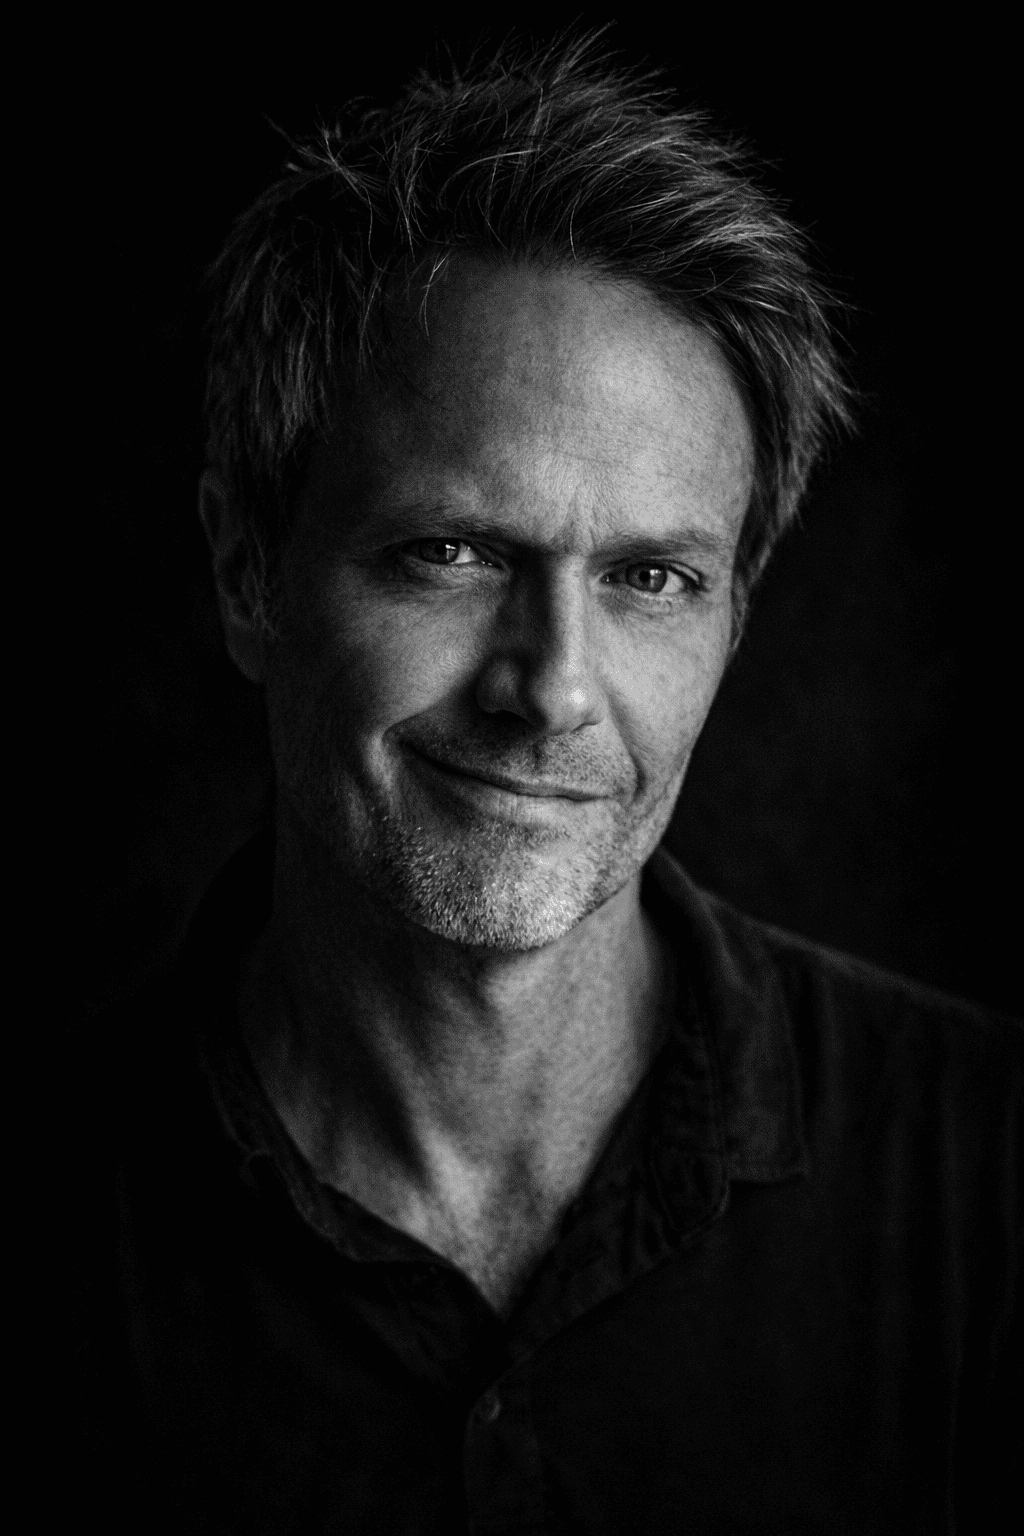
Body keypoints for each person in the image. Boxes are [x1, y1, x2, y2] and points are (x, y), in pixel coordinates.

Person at [68, 35, 1020, 1533]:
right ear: (251, 570)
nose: (554, 688)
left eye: (650, 577)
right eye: (452, 552)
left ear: (732, 617)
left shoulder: (997, 1175)